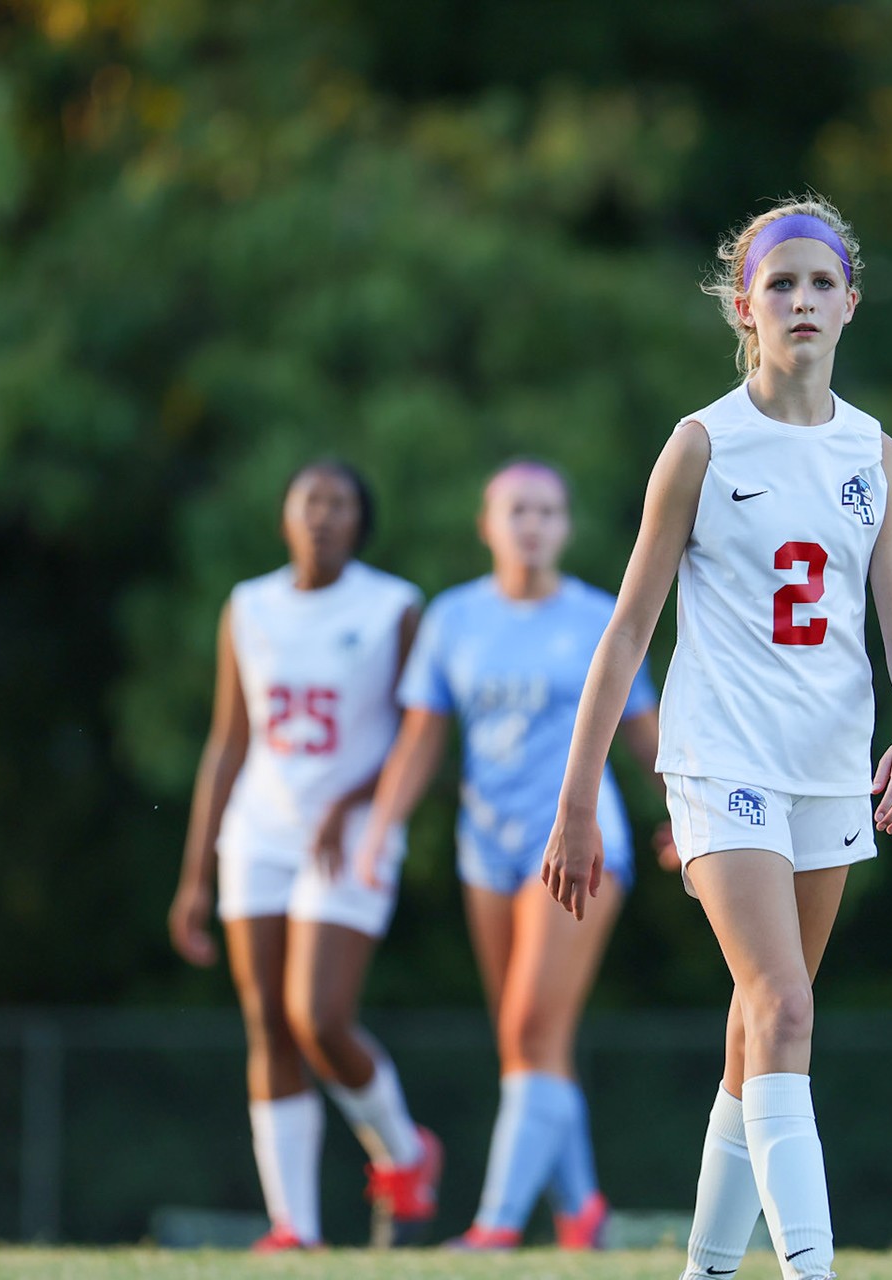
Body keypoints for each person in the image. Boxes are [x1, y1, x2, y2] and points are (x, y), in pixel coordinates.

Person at [539, 195, 892, 1280]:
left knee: (753, 1030)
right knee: (787, 1007)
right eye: (781, 284)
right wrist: (579, 799)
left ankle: (706, 1270)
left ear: (851, 304)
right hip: (720, 761)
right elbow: (626, 628)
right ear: (743, 306)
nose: (802, 300)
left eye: (821, 283)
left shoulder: (876, 453)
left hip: (826, 772)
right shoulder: (702, 444)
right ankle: (814, 1270)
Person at [350, 459, 667, 1250]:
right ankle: (582, 1211)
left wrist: (687, 815)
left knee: (530, 1024)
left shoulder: (602, 615)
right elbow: (423, 737)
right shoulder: (453, 620)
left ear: (566, 527)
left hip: (579, 846)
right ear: (486, 524)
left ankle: (493, 1228)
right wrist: (382, 825)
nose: (533, 524)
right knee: (530, 1038)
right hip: (484, 852)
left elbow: (643, 733)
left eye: (549, 511)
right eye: (518, 510)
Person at [168, 459, 442, 1252]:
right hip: (260, 829)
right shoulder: (248, 606)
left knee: (318, 1016)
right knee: (268, 1025)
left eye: (341, 503)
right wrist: (193, 874)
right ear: (285, 515)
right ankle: (296, 1228)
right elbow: (229, 741)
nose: (323, 515)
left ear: (362, 520)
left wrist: (355, 802)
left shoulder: (393, 606)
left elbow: (415, 734)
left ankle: (405, 1151)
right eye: (309, 501)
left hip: (351, 833)